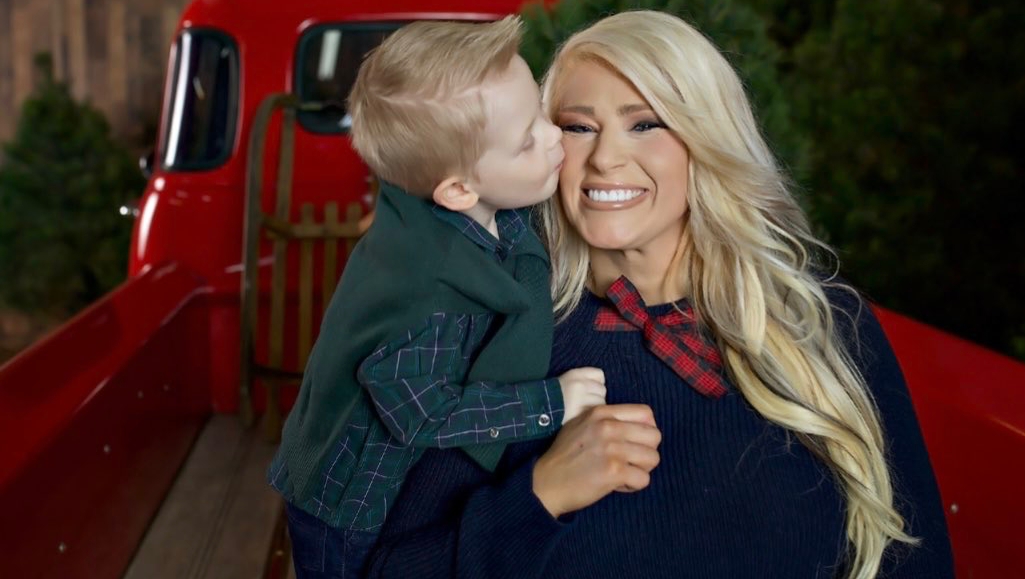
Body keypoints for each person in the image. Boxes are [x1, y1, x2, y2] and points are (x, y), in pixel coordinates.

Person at [363, 10, 954, 579]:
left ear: (706, 139)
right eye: (579, 127)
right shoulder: (503, 341)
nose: (606, 158)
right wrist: (541, 493)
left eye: (645, 124)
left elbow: (913, 560)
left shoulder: (824, 320)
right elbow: (386, 568)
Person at [266, 16, 607, 579]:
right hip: (349, 504)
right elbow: (421, 413)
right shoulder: (430, 294)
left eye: (542, 116)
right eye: (527, 141)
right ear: (458, 190)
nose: (554, 138)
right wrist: (550, 402)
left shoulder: (467, 207)